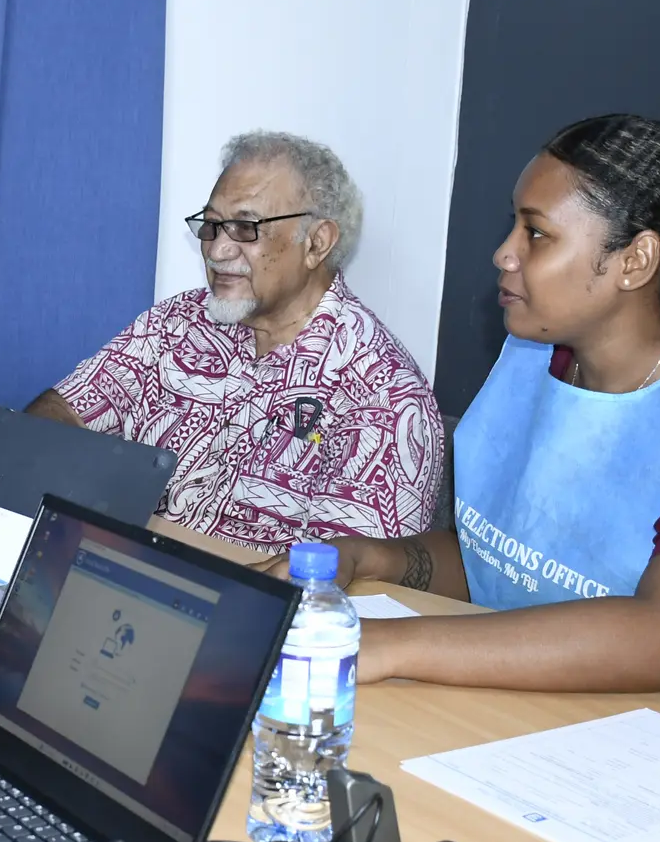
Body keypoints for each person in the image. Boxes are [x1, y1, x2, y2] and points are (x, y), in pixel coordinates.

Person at [263, 115, 660, 710]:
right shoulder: (534, 358)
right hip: (572, 708)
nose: (503, 254)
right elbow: (506, 567)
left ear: (635, 260)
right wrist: (367, 555)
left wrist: (381, 645)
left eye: (536, 234)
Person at [27, 131, 443, 552]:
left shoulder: (382, 392)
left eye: (246, 228)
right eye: (211, 225)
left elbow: (345, 585)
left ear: (316, 243)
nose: (218, 250)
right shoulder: (175, 323)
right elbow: (57, 413)